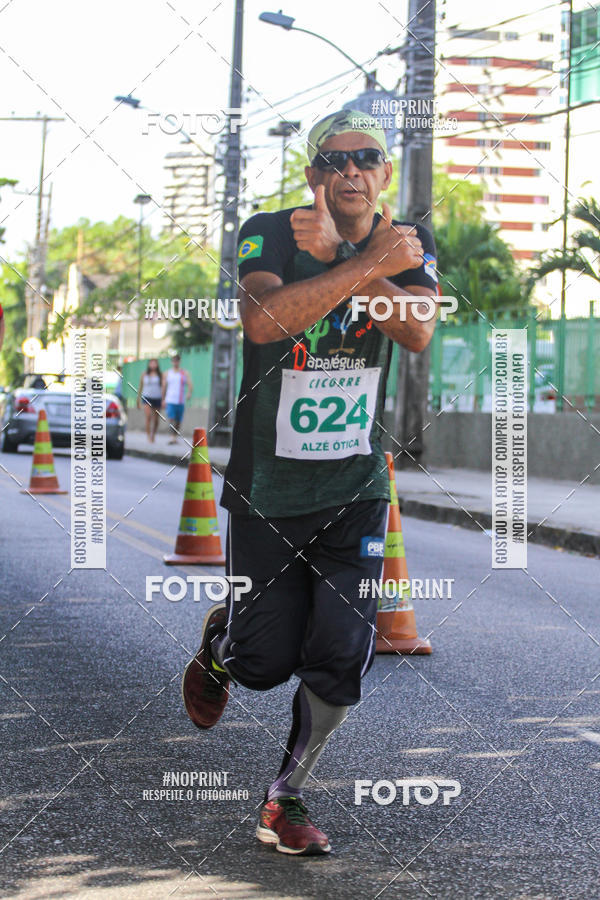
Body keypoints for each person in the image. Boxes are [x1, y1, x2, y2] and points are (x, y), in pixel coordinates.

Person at [182, 110, 440, 856]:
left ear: (385, 174)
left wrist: (361, 256)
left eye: (367, 159)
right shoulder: (267, 230)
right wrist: (361, 264)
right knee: (264, 663)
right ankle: (222, 646)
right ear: (312, 175)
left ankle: (284, 796)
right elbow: (264, 322)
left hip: (355, 489)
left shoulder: (410, 243)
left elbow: (418, 328)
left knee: (339, 653)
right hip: (269, 490)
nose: (350, 172)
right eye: (334, 160)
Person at [162, 353, 192, 444]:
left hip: (180, 400)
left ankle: (175, 436)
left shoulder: (184, 373)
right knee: (171, 418)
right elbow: (164, 387)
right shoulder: (167, 373)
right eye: (174, 361)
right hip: (170, 400)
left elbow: (190, 384)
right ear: (172, 362)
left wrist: (189, 393)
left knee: (178, 420)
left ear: (179, 361)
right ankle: (172, 437)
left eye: (177, 361)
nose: (175, 363)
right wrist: (163, 399)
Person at [137, 359, 163, 443]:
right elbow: (140, 387)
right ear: (149, 365)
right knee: (148, 416)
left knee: (156, 420)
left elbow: (163, 387)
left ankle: (153, 434)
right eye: (151, 363)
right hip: (146, 397)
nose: (153, 365)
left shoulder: (160, 375)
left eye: (154, 363)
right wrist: (138, 400)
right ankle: (148, 436)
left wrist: (163, 399)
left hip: (157, 398)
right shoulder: (144, 374)